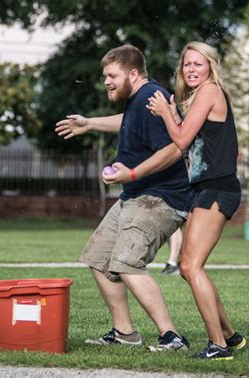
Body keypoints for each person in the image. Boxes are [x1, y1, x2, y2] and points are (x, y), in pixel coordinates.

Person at [55, 44, 193, 352]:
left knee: (126, 262)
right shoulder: (137, 100)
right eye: (105, 75)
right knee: (98, 258)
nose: (106, 81)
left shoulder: (152, 98)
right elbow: (126, 121)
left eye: (111, 75)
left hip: (160, 198)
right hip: (135, 196)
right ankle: (124, 332)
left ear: (133, 73)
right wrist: (89, 123)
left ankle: (172, 337)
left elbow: (174, 150)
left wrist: (131, 174)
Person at [147, 41, 246, 360]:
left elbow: (181, 139)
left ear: (210, 67)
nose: (191, 69)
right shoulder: (201, 98)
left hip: (217, 188)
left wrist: (165, 113)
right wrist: (173, 113)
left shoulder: (209, 91)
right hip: (207, 187)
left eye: (198, 64)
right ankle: (229, 337)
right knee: (191, 268)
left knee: (190, 266)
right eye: (186, 64)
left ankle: (218, 346)